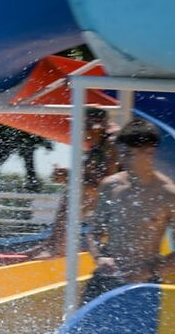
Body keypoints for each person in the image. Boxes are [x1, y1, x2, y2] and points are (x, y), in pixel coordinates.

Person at [82, 118, 175, 303]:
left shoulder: (169, 195)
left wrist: (150, 271)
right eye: (122, 153)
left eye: (129, 154)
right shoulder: (111, 186)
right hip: (106, 276)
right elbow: (94, 232)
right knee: (81, 330)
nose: (122, 159)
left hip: (145, 283)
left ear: (150, 152)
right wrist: (100, 257)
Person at [28, 107, 121, 259]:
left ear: (96, 125)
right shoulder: (100, 141)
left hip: (126, 198)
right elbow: (92, 174)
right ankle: (53, 243)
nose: (81, 135)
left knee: (76, 193)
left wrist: (71, 177)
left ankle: (58, 247)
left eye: (82, 128)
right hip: (116, 194)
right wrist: (68, 173)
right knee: (74, 191)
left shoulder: (112, 142)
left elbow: (108, 182)